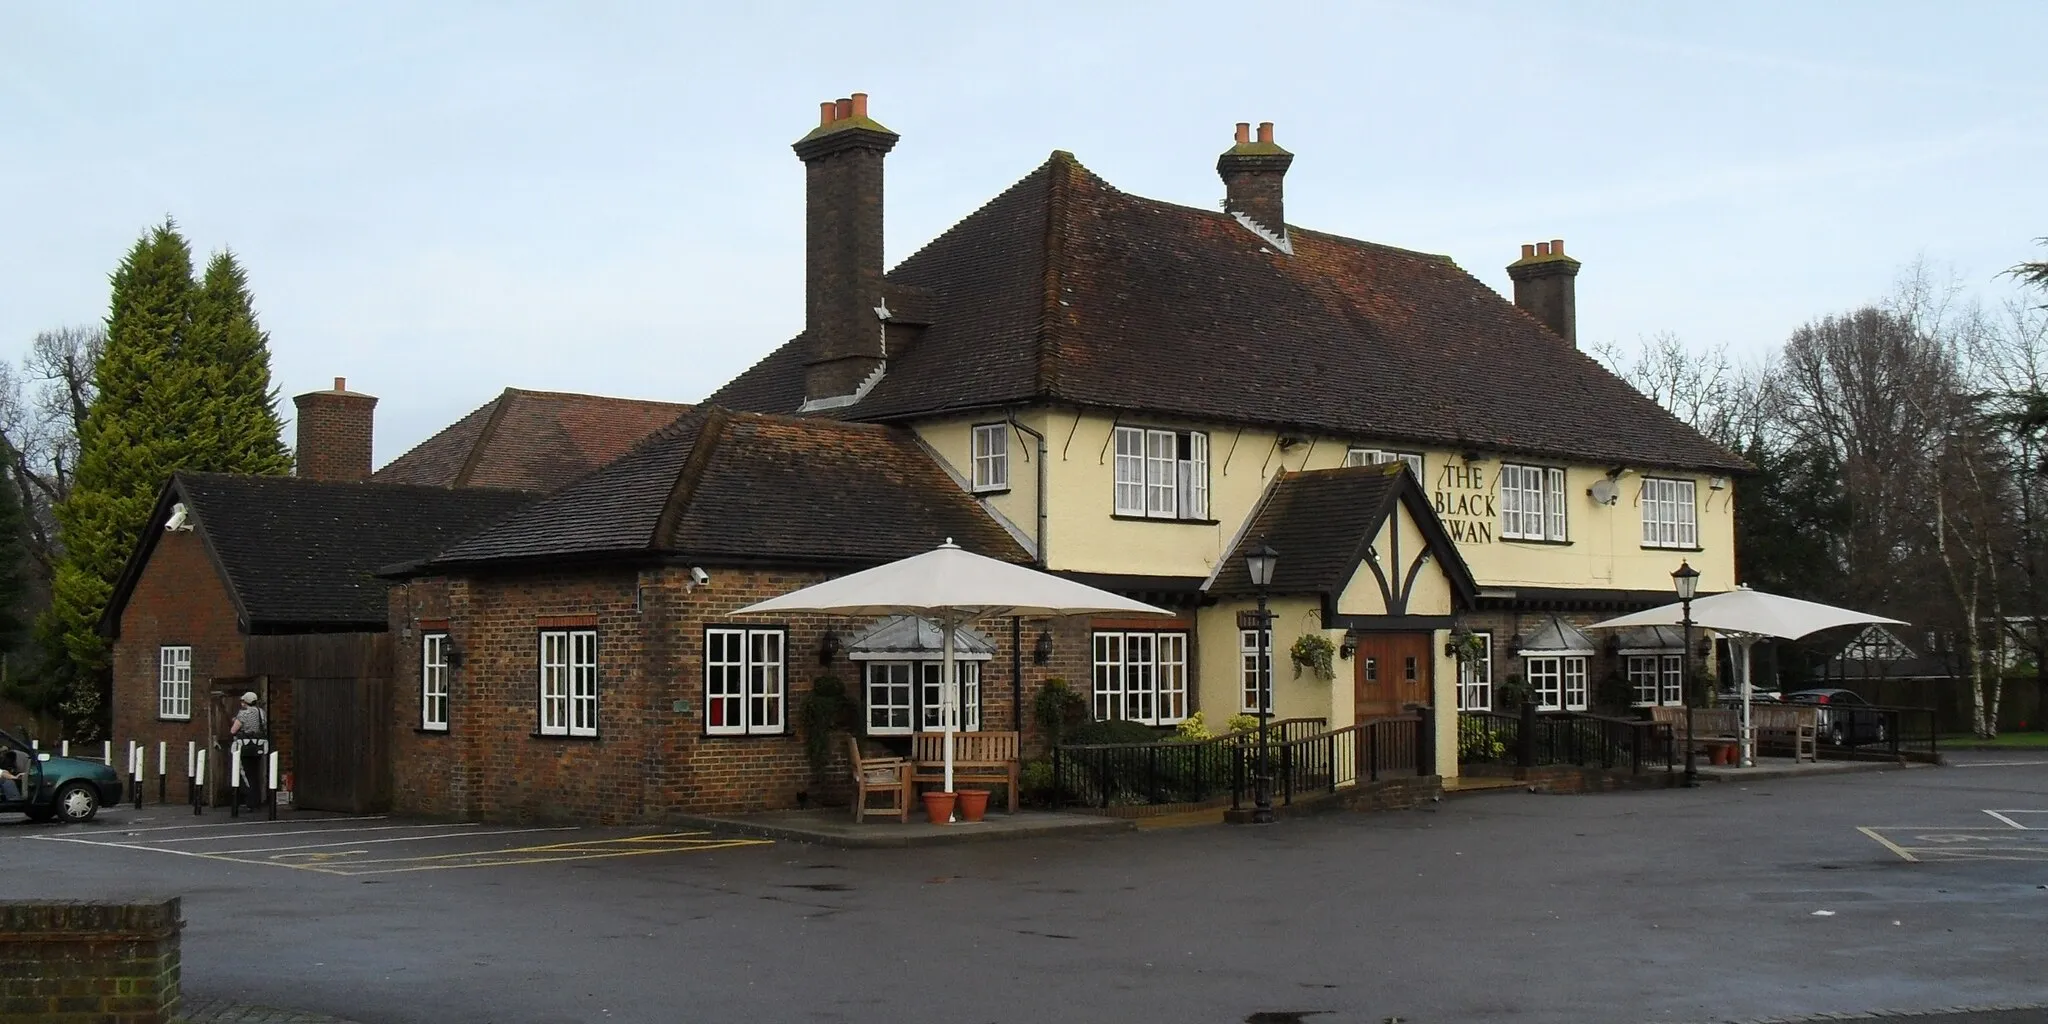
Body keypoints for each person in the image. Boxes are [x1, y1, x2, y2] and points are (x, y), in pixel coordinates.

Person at [230, 690, 269, 809]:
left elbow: (233, 730)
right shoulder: (261, 712)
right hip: (258, 747)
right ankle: (256, 799)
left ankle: (250, 801)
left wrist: (235, 721)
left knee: (246, 774)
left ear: (245, 702)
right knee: (255, 773)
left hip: (245, 747)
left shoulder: (243, 714)